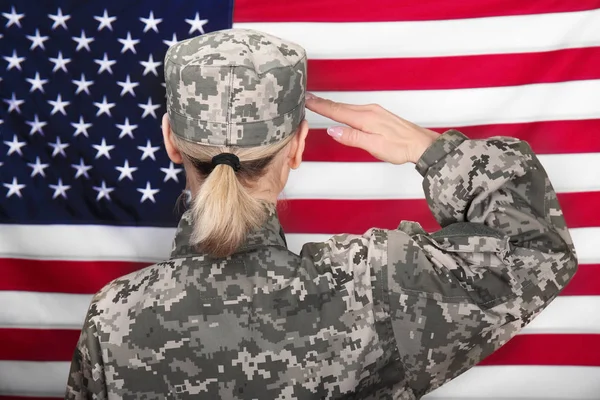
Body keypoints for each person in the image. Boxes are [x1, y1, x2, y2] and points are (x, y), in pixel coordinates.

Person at [65, 28, 578, 399]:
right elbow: (536, 251)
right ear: (298, 147)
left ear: (171, 141)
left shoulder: (116, 317)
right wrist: (433, 151)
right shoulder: (370, 290)